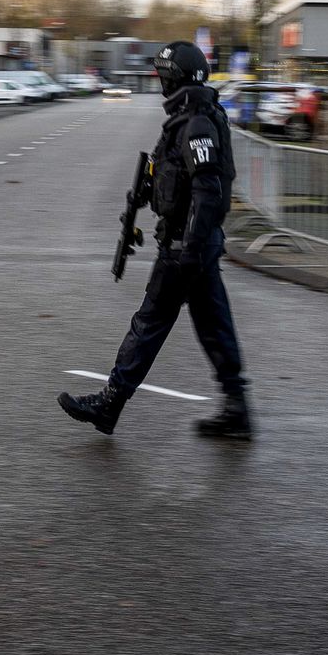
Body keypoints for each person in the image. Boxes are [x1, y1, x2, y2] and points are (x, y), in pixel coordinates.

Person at [58, 40, 252, 439]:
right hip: (195, 244)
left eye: (163, 76)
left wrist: (190, 250)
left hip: (186, 245)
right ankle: (237, 409)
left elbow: (208, 189)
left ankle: (110, 402)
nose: (161, 83)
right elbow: (178, 178)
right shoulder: (190, 116)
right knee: (215, 326)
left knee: (149, 323)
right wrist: (148, 192)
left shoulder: (196, 122)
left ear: (174, 79)